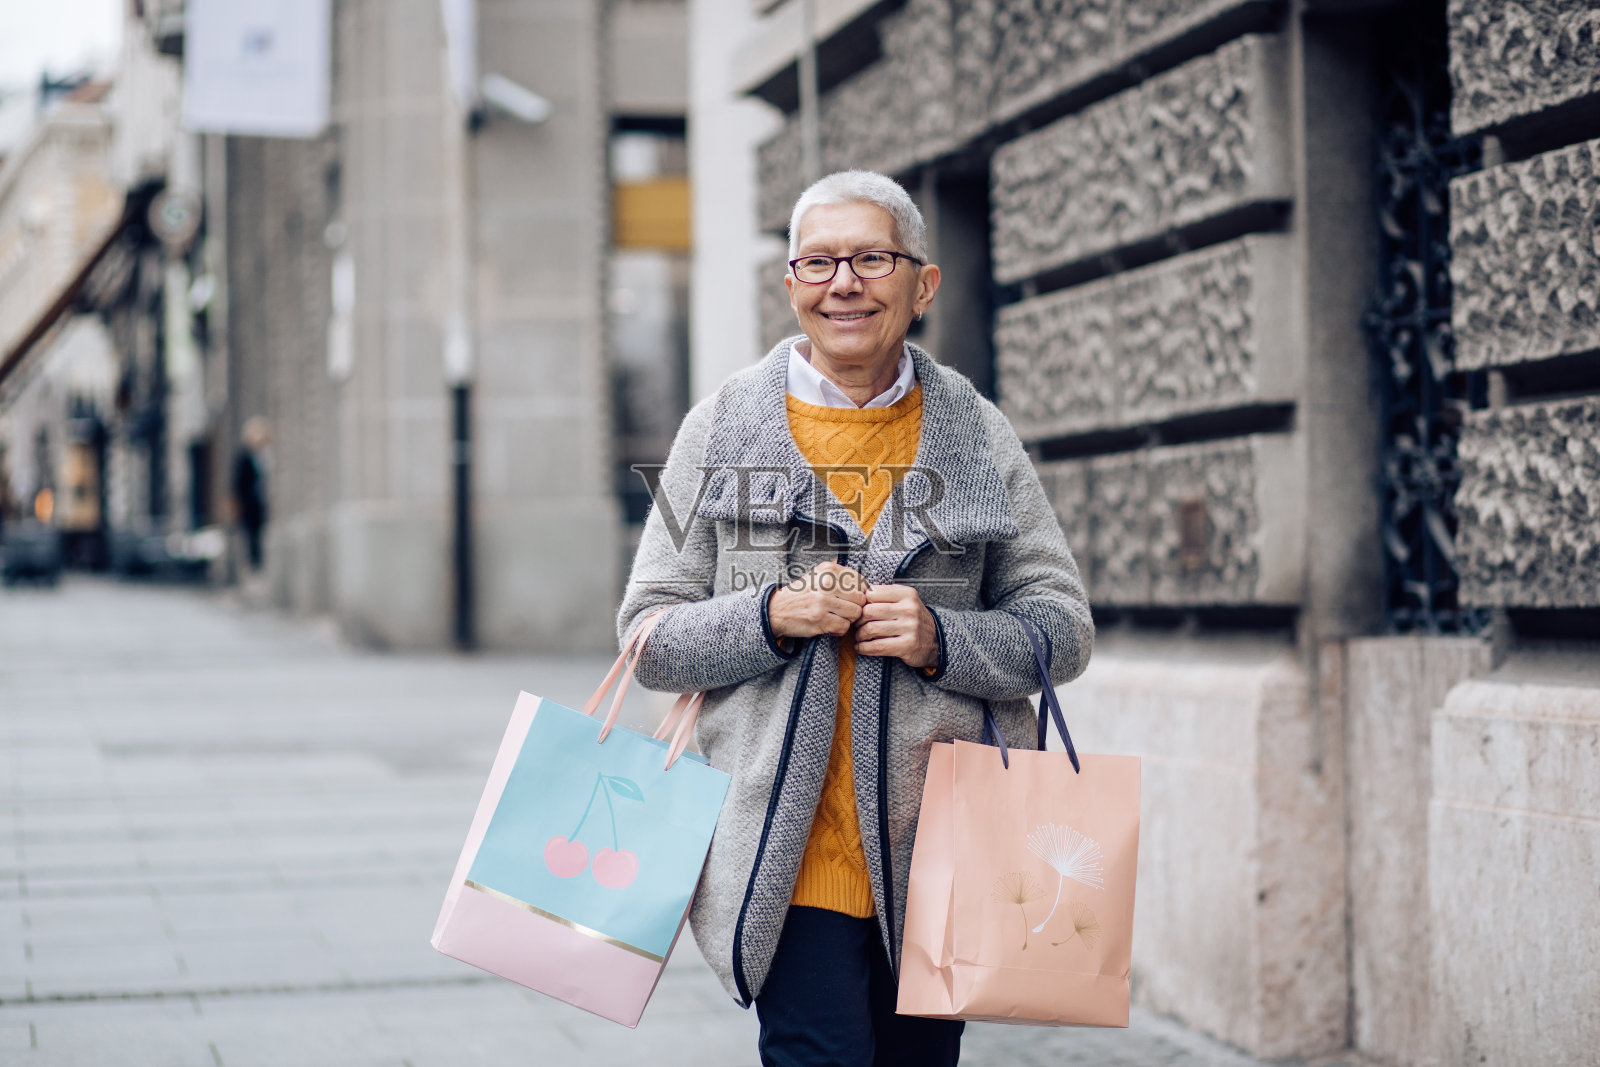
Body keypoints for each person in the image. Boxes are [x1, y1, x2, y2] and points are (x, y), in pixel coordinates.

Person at [617, 170, 1092, 1066]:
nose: (845, 283)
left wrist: (943, 639)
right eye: (820, 262)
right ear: (791, 282)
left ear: (924, 284)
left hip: (943, 850)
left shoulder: (978, 433)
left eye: (872, 259)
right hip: (785, 854)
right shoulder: (720, 428)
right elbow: (647, 635)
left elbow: (1061, 628)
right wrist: (772, 614)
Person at [232, 416, 270, 572]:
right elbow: (238, 485)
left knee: (259, 538)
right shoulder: (245, 458)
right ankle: (253, 570)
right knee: (251, 540)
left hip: (261, 505)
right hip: (249, 507)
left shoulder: (265, 456)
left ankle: (258, 567)